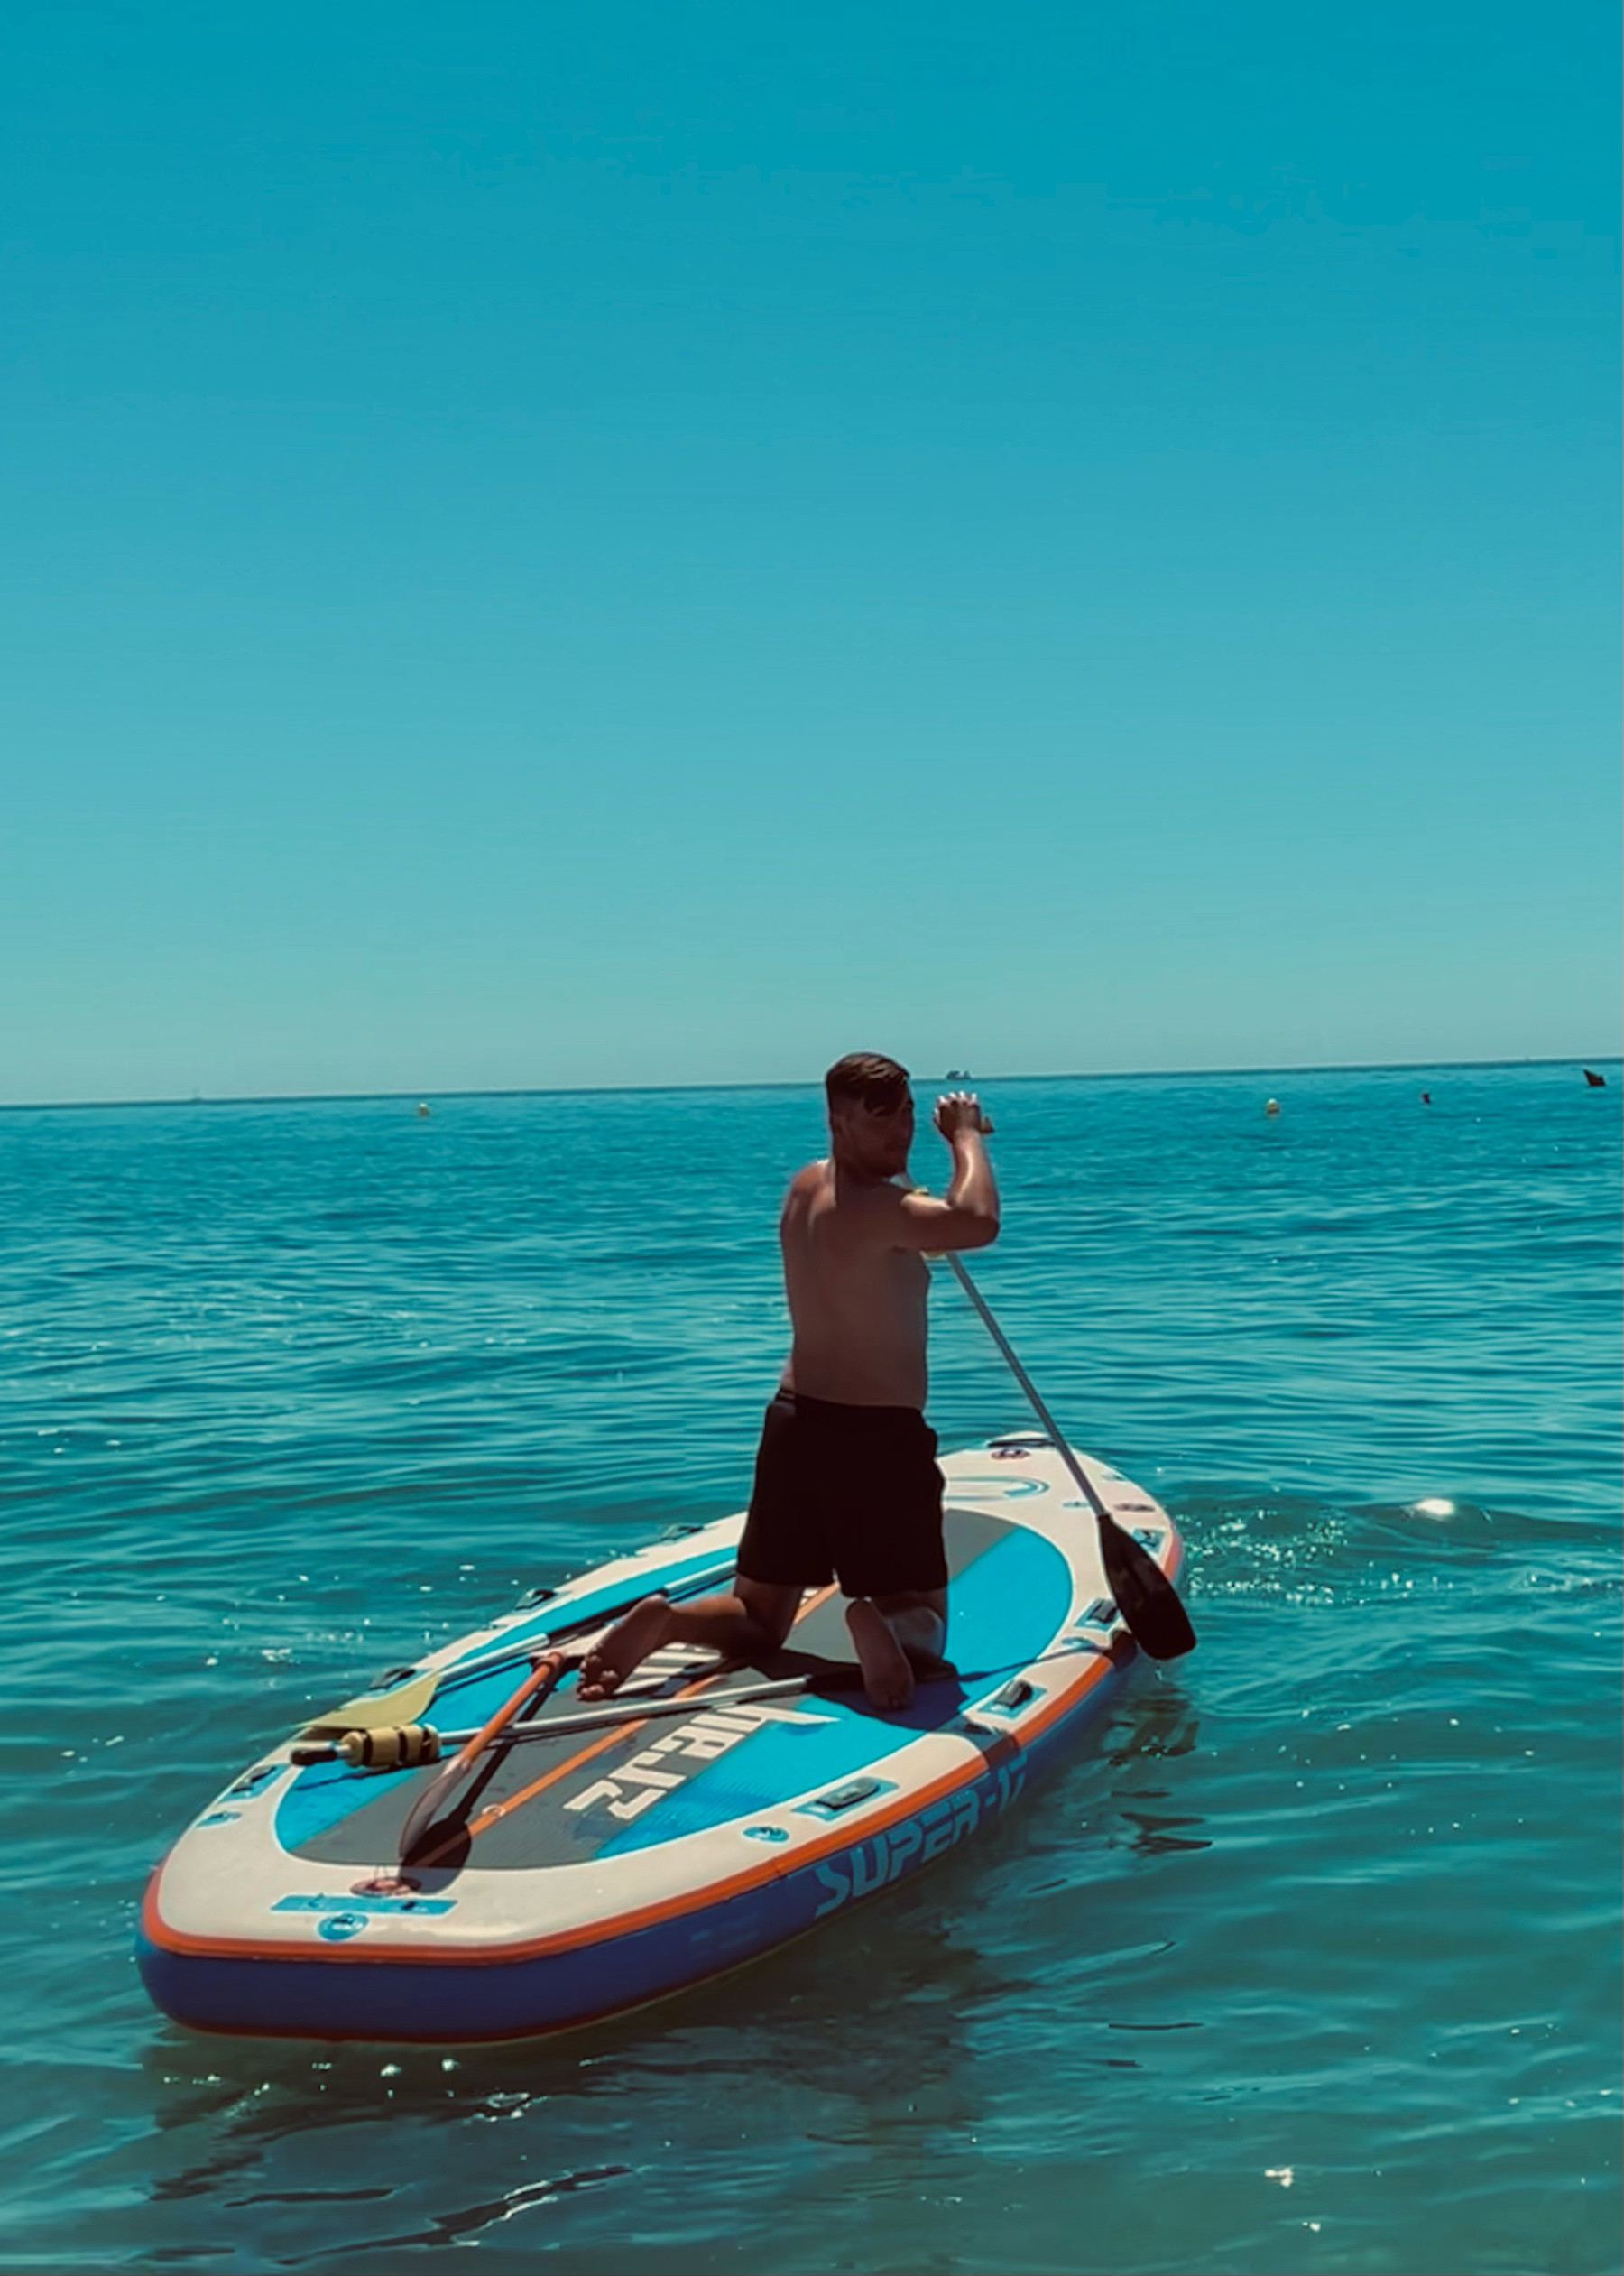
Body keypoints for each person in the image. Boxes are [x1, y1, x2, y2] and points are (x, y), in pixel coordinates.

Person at [577, 1051, 1000, 1710]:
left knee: (759, 1618)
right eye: (881, 1118)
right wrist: (966, 1137)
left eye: (907, 1114)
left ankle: (671, 1622)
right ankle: (888, 1630)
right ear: (838, 1119)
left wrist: (917, 1211)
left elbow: (895, 1234)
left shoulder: (805, 1187)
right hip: (876, 1438)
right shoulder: (884, 1209)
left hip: (795, 1423)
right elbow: (977, 1221)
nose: (900, 1131)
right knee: (925, 1619)